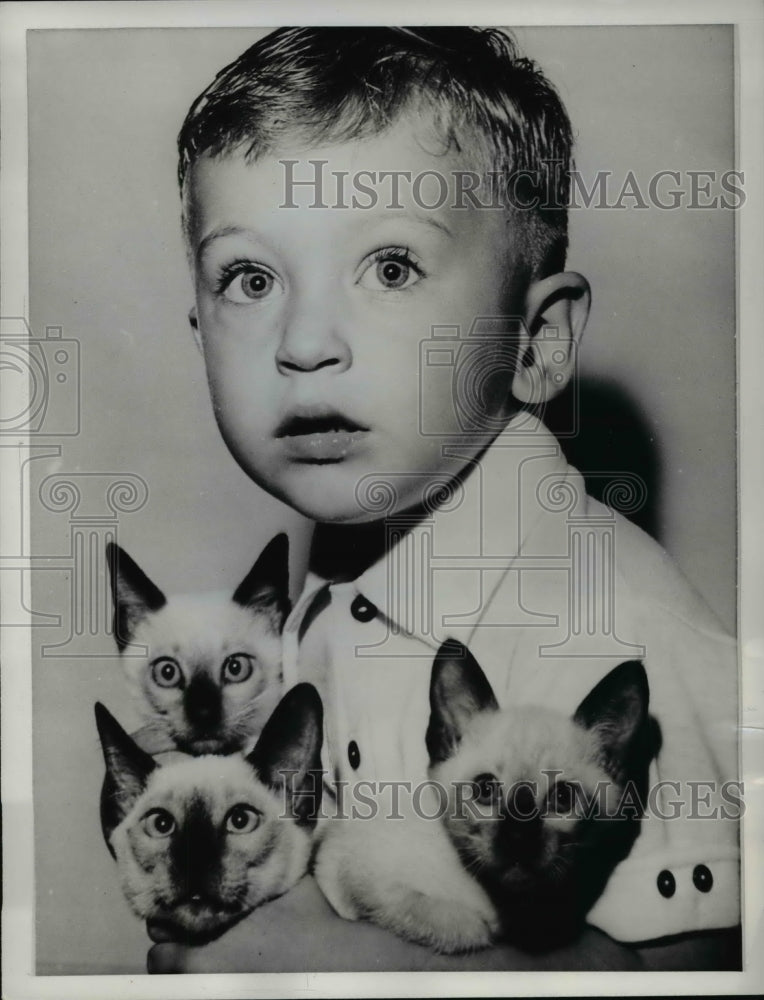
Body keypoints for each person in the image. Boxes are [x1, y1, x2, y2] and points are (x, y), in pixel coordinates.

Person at [149, 26, 740, 972]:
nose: (304, 341)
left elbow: (701, 974)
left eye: (390, 266)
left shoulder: (621, 633)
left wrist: (303, 964)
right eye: (251, 278)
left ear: (536, 343)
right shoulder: (327, 598)